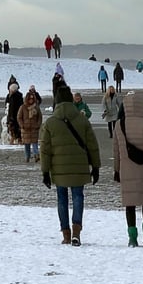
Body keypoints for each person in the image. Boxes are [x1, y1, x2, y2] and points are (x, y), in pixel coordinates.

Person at [40, 86, 100, 246]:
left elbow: (45, 150)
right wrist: (96, 167)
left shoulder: (51, 122)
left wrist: (45, 171)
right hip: (79, 167)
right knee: (78, 196)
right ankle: (76, 232)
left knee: (62, 199)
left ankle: (66, 234)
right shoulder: (82, 119)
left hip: (58, 168)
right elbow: (92, 145)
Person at [114, 91, 143, 247]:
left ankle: (132, 237)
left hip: (126, 168)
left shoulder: (119, 124)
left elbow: (116, 151)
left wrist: (117, 170)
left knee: (130, 204)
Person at [17, 89, 42, 163]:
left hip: (34, 128)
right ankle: (27, 157)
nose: (31, 100)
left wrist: (38, 125)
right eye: (30, 99)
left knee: (35, 143)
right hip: (25, 129)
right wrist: (22, 125)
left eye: (32, 99)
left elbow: (39, 117)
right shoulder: (23, 107)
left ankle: (36, 155)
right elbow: (19, 117)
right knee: (27, 145)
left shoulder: (36, 107)